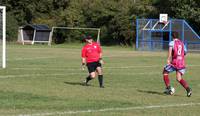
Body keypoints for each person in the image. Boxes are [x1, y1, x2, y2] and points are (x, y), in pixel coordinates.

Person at [163, 32, 192, 97]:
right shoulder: (182, 43)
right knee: (179, 78)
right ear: (178, 36)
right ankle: (188, 89)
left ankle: (169, 88)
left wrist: (168, 59)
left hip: (174, 62)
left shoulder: (172, 43)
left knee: (165, 72)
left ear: (172, 36)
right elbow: (185, 52)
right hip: (181, 63)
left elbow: (170, 53)